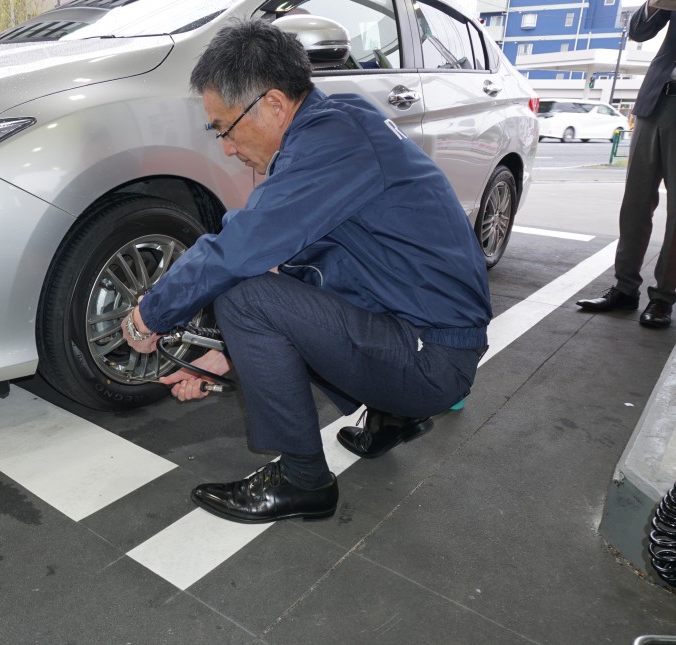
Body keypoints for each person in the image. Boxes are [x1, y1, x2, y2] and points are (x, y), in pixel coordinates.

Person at [119, 19, 491, 524]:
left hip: (431, 357)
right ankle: (393, 415)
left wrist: (149, 316)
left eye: (224, 128)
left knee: (243, 298)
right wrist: (224, 356)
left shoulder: (331, 144)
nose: (226, 146)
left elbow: (238, 248)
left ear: (273, 103)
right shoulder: (343, 120)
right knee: (263, 293)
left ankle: (303, 480)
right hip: (426, 336)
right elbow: (311, 273)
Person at [576, 1, 676, 328]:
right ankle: (625, 288)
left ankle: (663, 298)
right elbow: (639, 30)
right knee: (635, 202)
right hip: (657, 101)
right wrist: (652, 4)